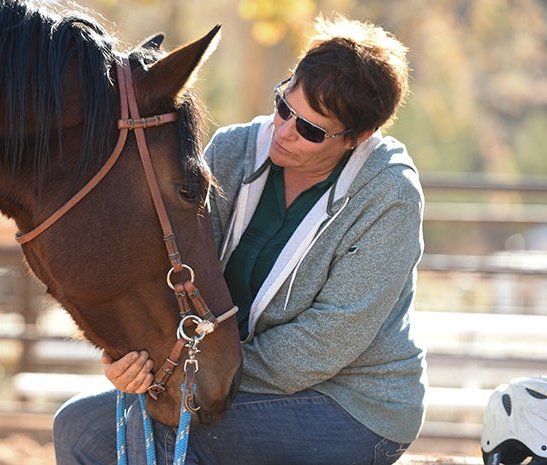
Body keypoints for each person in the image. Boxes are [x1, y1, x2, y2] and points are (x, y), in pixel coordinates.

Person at [53, 14, 426, 465]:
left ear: (359, 137)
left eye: (310, 130)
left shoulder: (389, 195)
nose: (283, 132)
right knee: (76, 425)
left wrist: (192, 376)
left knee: (170, 439)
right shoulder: (231, 150)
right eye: (284, 107)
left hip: (351, 405)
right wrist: (136, 358)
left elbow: (325, 342)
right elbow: (170, 273)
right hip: (214, 374)